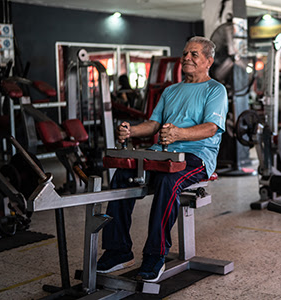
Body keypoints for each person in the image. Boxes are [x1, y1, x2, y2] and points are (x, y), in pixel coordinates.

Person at [96, 36, 228, 282]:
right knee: (123, 175)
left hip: (197, 156)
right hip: (162, 153)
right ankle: (118, 250)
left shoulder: (215, 90)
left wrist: (179, 133)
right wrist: (132, 131)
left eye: (194, 54)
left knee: (169, 181)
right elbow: (154, 124)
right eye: (185, 53)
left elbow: (211, 127)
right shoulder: (171, 90)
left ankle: (155, 254)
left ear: (208, 61)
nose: (187, 57)